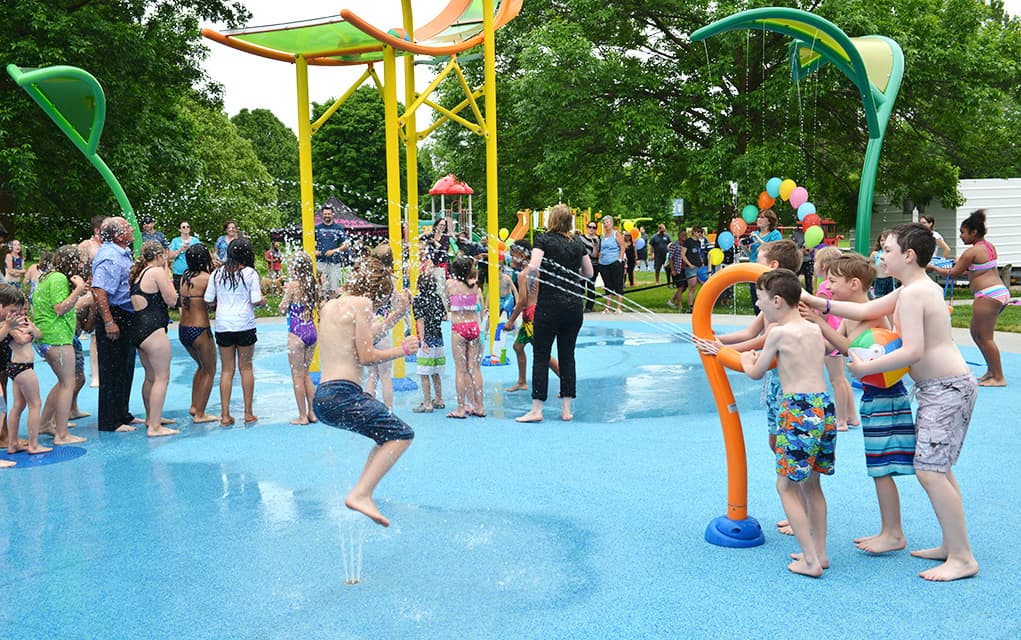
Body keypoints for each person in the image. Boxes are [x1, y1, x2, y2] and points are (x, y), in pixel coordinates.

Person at [802, 222, 979, 581]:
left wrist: (864, 366)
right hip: (941, 388)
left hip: (946, 388)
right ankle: (952, 544)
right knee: (938, 468)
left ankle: (962, 556)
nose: (883, 256)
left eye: (889, 250)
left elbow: (913, 351)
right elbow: (862, 311)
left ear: (908, 256)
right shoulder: (911, 289)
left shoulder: (914, 294)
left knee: (930, 470)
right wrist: (814, 301)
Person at [801, 253, 916, 554]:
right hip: (874, 395)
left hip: (887, 396)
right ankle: (889, 530)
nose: (828, 285)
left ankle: (893, 532)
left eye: (833, 281)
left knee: (883, 466)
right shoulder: (853, 315)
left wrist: (819, 321)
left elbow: (851, 350)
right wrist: (809, 331)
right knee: (878, 466)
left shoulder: (869, 314)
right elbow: (831, 347)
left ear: (854, 284)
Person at [738, 269, 835, 577]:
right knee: (812, 484)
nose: (758, 304)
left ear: (777, 300)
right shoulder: (813, 329)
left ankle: (809, 560)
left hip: (797, 410)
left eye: (761, 299)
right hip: (823, 406)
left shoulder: (779, 332)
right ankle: (820, 552)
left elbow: (756, 371)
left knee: (785, 486)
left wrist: (744, 359)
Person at [706, 239, 804, 536]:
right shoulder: (772, 298)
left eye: (756, 258)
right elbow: (751, 331)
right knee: (777, 443)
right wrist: (719, 340)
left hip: (786, 382)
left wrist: (722, 349)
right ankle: (798, 505)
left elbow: (763, 341)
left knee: (790, 446)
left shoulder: (786, 302)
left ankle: (801, 507)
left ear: (771, 266)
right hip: (776, 384)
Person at [311, 256, 418, 527]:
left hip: (324, 398)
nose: (379, 307)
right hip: (344, 395)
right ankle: (361, 493)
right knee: (402, 435)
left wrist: (395, 316)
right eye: (383, 302)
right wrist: (402, 350)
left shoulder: (330, 305)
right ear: (376, 292)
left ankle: (363, 492)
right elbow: (367, 355)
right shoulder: (364, 303)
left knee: (386, 436)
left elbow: (363, 338)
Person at [516, 204, 593, 423]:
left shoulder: (543, 240)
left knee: (541, 355)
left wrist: (529, 277)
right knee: (568, 356)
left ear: (551, 220)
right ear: (569, 221)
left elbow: (534, 266)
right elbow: (589, 272)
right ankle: (567, 410)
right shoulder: (577, 243)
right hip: (573, 307)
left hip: (549, 306)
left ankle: (537, 409)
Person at [930, 210, 1006, 387]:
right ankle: (991, 371)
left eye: (963, 232)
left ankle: (999, 377)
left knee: (985, 338)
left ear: (974, 232)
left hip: (988, 295)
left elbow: (953, 274)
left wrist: (933, 267)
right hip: (997, 292)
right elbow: (974, 272)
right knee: (975, 333)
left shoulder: (971, 252)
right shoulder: (988, 247)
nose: (961, 236)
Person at [204, 237, 265, 426]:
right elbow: (255, 300)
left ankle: (225, 415)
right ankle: (248, 413)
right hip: (244, 324)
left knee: (226, 370)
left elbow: (208, 299)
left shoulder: (217, 273)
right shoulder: (249, 273)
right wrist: (263, 301)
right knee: (246, 368)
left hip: (224, 325)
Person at [32, 245, 89, 445]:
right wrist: (80, 290)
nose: (83, 264)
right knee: (68, 383)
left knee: (62, 382)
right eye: (80, 260)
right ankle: (62, 434)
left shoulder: (48, 277)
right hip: (57, 338)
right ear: (71, 262)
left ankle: (44, 424)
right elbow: (60, 308)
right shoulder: (57, 279)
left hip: (48, 337)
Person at [92, 216, 139, 433]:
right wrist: (109, 320)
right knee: (112, 369)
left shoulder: (122, 252)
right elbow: (99, 290)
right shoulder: (110, 256)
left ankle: (122, 414)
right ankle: (110, 421)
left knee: (125, 367)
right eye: (128, 227)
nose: (132, 228)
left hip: (124, 315)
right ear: (119, 235)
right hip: (114, 315)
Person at [128, 241, 180, 438]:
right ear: (159, 255)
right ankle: (155, 426)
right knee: (161, 377)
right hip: (153, 330)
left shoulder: (139, 274)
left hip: (139, 329)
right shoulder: (157, 272)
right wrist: (167, 272)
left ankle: (151, 417)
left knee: (150, 376)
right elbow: (172, 300)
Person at [814, 245, 859, 431]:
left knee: (836, 380)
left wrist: (814, 323)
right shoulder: (835, 286)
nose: (813, 264)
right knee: (842, 378)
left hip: (830, 336)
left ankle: (840, 420)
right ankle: (851, 416)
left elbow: (822, 314)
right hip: (839, 333)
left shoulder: (825, 286)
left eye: (815, 261)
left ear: (823, 265)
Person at [505, 239, 559, 392]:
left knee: (543, 355)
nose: (510, 258)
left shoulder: (523, 274)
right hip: (534, 314)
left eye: (512, 255)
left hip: (531, 317)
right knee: (518, 346)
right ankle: (522, 381)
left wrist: (510, 321)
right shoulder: (535, 270)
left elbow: (522, 301)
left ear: (521, 254)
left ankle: (566, 382)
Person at [279, 251, 321, 424]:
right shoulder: (313, 285)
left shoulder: (293, 286)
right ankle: (312, 413)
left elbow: (282, 308)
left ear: (295, 267)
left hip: (296, 332)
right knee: (306, 374)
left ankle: (302, 416)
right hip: (311, 330)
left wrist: (285, 295)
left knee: (296, 375)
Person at [178, 245, 218, 423]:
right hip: (200, 329)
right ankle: (200, 414)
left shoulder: (185, 278)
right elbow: (214, 301)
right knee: (210, 369)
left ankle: (195, 406)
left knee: (201, 367)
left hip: (184, 329)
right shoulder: (206, 278)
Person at [5, 309, 52, 455]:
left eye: (24, 309)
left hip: (20, 367)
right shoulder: (9, 325)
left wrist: (32, 329)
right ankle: (33, 445)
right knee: (35, 404)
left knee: (19, 405)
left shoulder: (24, 322)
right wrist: (30, 333)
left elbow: (40, 334)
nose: (22, 312)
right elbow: (21, 339)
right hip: (21, 367)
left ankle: (13, 444)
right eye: (18, 310)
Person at [445, 255, 485, 418]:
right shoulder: (475, 286)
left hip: (459, 328)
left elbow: (446, 298)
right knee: (474, 368)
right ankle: (480, 406)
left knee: (460, 370)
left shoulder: (451, 285)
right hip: (473, 327)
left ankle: (461, 408)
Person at [411, 263, 446, 413]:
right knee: (436, 372)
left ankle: (427, 403)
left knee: (424, 373)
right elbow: (444, 316)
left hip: (427, 341)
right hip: (439, 339)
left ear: (419, 285)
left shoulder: (418, 300)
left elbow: (420, 321)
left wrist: (422, 340)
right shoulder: (437, 298)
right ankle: (439, 399)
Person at [747, 209, 783, 309]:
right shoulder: (755, 233)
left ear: (769, 221)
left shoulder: (775, 234)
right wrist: (742, 246)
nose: (759, 219)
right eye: (758, 217)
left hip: (767, 270)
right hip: (753, 269)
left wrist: (758, 240)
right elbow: (751, 254)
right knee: (755, 300)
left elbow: (774, 249)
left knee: (767, 298)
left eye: (762, 217)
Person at [315, 206, 351, 296]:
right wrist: (314, 251)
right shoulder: (317, 228)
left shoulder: (338, 228)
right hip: (320, 262)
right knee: (321, 288)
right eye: (325, 214)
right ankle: (321, 307)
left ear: (333, 215)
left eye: (329, 214)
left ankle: (332, 306)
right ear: (322, 215)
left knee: (333, 288)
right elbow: (311, 243)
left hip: (334, 263)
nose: (327, 215)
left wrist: (334, 251)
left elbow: (346, 245)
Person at [594, 215, 625, 313]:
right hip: (603, 263)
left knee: (617, 284)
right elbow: (601, 249)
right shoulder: (603, 236)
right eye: (604, 223)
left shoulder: (616, 234)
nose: (606, 225)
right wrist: (599, 260)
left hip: (614, 262)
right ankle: (608, 307)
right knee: (607, 285)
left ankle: (619, 307)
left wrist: (619, 259)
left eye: (608, 222)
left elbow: (622, 246)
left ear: (611, 223)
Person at [168, 221, 199, 293]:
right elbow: (170, 257)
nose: (186, 228)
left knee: (193, 293)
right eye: (183, 227)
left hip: (193, 271)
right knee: (179, 293)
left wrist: (191, 250)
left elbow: (201, 254)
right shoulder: (175, 241)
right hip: (179, 272)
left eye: (188, 226)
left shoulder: (195, 240)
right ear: (180, 230)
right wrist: (180, 249)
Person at [680, 227, 705, 311]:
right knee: (692, 287)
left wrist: (702, 263)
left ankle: (701, 303)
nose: (700, 234)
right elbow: (682, 254)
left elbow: (698, 254)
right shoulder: (688, 242)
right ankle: (690, 306)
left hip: (699, 266)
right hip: (691, 267)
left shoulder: (698, 242)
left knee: (703, 284)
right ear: (694, 232)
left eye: (701, 232)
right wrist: (689, 264)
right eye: (699, 232)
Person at [579, 220, 600, 311]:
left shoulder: (598, 239)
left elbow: (595, 255)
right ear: (587, 227)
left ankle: (589, 306)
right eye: (590, 227)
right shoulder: (581, 238)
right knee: (580, 285)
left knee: (591, 285)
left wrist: (594, 246)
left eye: (594, 227)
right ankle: (579, 305)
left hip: (593, 265)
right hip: (581, 265)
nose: (591, 229)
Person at [870, 231, 897, 297]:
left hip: (889, 279)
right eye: (882, 240)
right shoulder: (875, 254)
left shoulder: (893, 253)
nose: (883, 242)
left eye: (886, 240)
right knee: (878, 297)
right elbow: (870, 265)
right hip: (878, 280)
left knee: (890, 297)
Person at [789, 226, 815, 294]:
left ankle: (809, 296)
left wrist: (810, 249)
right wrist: (801, 250)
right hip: (798, 260)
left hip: (808, 260)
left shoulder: (812, 235)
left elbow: (813, 248)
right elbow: (792, 247)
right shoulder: (797, 234)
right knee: (793, 278)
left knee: (809, 281)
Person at [666, 231, 686, 310]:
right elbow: (670, 257)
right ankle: (680, 306)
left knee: (684, 287)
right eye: (683, 235)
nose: (685, 236)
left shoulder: (685, 245)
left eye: (685, 235)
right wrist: (672, 269)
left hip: (684, 269)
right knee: (680, 288)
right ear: (679, 236)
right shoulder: (674, 245)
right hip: (677, 269)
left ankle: (672, 300)